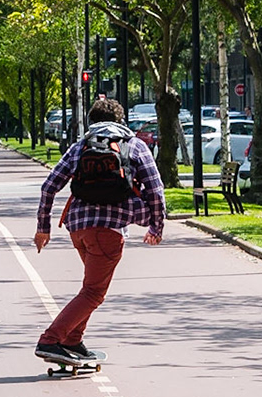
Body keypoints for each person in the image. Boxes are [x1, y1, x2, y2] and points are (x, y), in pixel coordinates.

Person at [32, 96, 166, 365]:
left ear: (91, 121)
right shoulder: (135, 146)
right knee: (94, 292)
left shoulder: (80, 147)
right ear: (121, 120)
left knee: (90, 288)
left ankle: (72, 339)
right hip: (108, 231)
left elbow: (49, 186)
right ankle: (51, 339)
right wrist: (156, 226)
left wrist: (43, 228)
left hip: (78, 228)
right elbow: (156, 189)